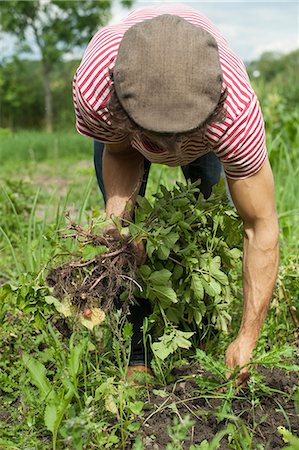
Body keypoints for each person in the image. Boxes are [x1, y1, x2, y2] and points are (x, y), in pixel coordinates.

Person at [72, 4, 279, 384]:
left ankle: (202, 326)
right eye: (156, 139)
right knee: (120, 241)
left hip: (206, 128)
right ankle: (137, 355)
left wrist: (248, 337)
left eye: (179, 139)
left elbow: (259, 225)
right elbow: (118, 152)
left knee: (206, 208)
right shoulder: (95, 90)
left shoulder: (236, 114)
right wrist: (118, 219)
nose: (166, 152)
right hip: (125, 129)